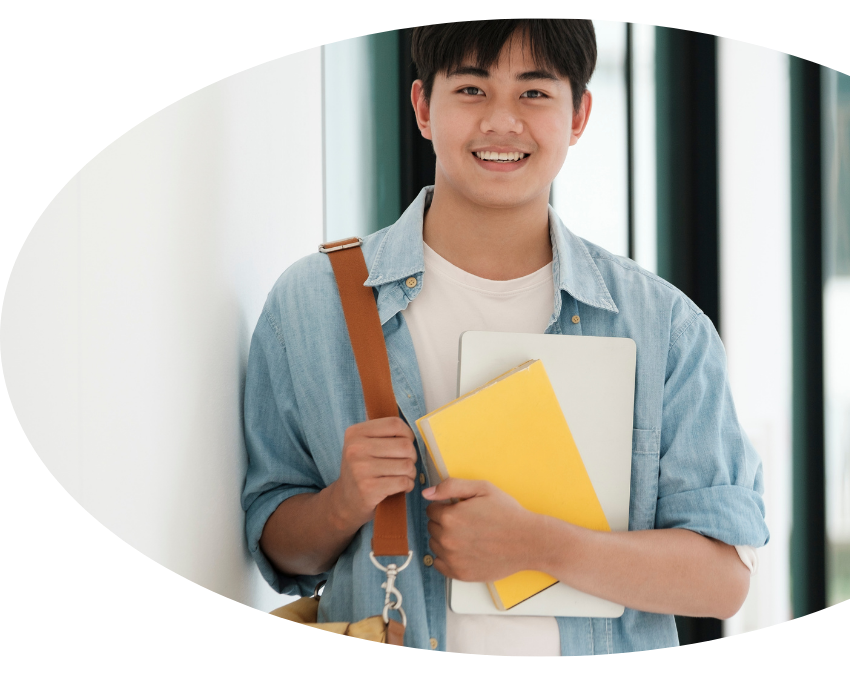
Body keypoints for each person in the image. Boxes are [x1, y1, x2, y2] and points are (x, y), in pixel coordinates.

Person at [242, 19, 768, 655]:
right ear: (422, 107)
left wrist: (536, 544)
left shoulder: (663, 326)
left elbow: (721, 582)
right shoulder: (314, 302)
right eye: (470, 89)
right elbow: (277, 547)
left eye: (534, 93)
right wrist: (343, 502)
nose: (500, 122)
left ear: (578, 115)